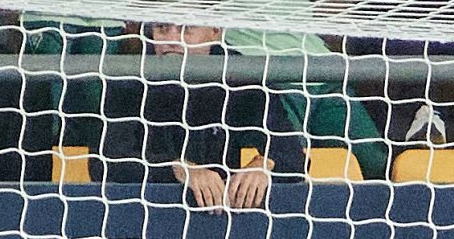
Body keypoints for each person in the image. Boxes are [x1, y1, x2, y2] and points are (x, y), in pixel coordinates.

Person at [95, 23, 307, 211]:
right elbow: (103, 161)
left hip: (222, 214)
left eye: (186, 29)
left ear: (216, 31)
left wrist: (265, 165)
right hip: (145, 209)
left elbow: (293, 156)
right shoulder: (130, 76)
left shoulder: (240, 76)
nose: (172, 40)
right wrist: (176, 168)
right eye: (162, 28)